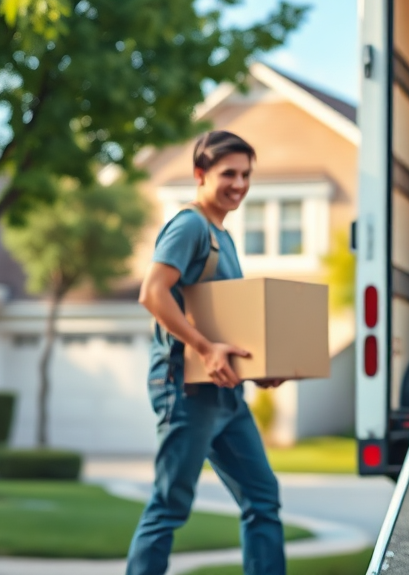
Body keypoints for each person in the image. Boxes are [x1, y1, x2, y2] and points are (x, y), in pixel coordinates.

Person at [127, 130, 288, 575]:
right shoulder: (190, 226)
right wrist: (203, 347)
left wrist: (259, 368)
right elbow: (152, 293)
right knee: (170, 505)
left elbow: (223, 323)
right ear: (200, 174)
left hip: (225, 394)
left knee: (262, 498)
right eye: (228, 174)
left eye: (246, 174)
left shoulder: (223, 236)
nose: (239, 184)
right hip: (185, 391)